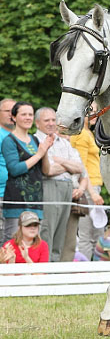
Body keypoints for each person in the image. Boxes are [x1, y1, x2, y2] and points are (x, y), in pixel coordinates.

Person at [34, 107, 86, 262]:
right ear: (37, 123)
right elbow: (48, 170)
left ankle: (55, 267)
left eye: (53, 120)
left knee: (61, 233)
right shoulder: (35, 140)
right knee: (47, 229)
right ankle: (44, 266)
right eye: (46, 120)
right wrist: (69, 166)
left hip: (67, 188)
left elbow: (80, 168)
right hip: (49, 186)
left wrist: (60, 161)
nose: (51, 123)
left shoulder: (63, 142)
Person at [1, 102, 53, 242]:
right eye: (23, 114)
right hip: (16, 202)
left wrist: (45, 151)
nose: (28, 117)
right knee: (13, 243)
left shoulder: (35, 140)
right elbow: (14, 169)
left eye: (30, 114)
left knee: (34, 244)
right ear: (14, 117)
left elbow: (46, 171)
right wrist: (39, 154)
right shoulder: (9, 141)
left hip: (36, 202)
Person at [70, 103, 105, 260]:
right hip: (89, 188)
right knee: (88, 235)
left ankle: (95, 267)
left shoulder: (87, 133)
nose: (94, 114)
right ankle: (85, 269)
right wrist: (92, 192)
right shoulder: (81, 134)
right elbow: (81, 167)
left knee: (96, 233)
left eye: (96, 111)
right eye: (90, 110)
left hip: (94, 187)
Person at [0, 98, 13, 237]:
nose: (11, 114)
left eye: (14, 111)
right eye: (7, 111)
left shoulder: (20, 136)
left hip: (16, 195)